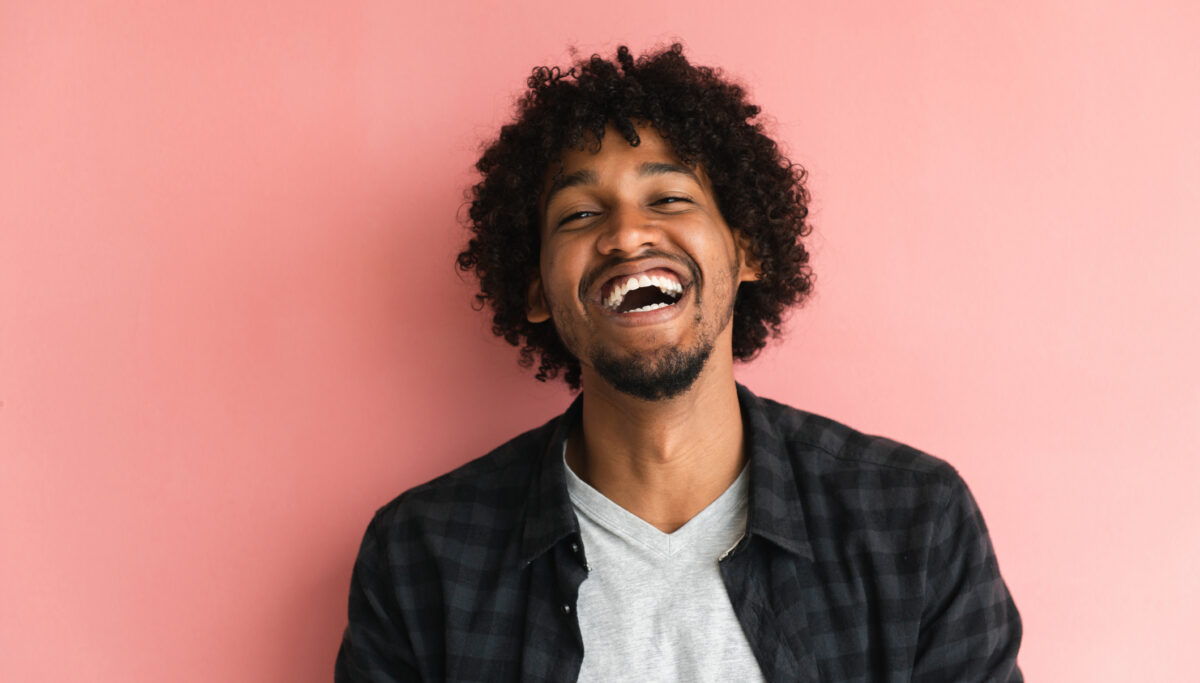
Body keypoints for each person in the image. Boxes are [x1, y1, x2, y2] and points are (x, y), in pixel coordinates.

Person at [335, 44, 1022, 682]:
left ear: (746, 249)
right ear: (535, 290)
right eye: (579, 214)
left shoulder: (913, 523)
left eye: (668, 198)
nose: (627, 234)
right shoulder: (422, 557)